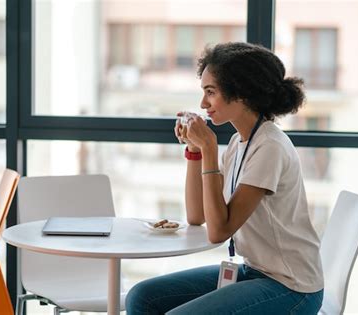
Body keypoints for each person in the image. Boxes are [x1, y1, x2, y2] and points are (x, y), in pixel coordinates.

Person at [126, 42, 324, 314]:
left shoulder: (270, 147)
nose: (202, 104)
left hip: (290, 285)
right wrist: (195, 152)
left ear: (241, 94)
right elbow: (197, 216)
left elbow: (219, 232)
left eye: (211, 92)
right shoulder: (238, 142)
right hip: (254, 270)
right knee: (142, 297)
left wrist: (208, 148)